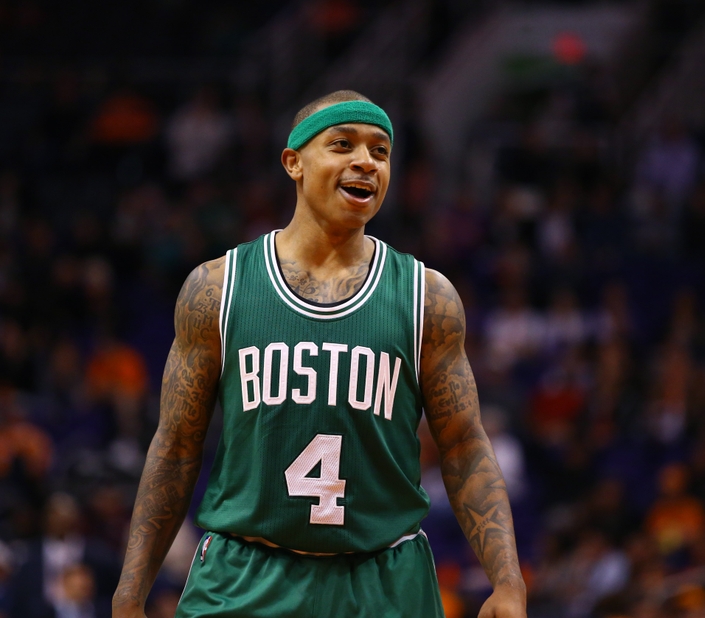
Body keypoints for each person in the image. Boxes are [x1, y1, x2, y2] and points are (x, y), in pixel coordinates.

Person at [112, 90, 526, 617]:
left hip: (384, 579)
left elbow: (465, 446)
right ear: (294, 163)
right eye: (342, 144)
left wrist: (507, 580)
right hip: (245, 576)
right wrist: (130, 592)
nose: (366, 161)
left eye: (380, 151)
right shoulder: (217, 289)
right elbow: (175, 447)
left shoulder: (428, 297)